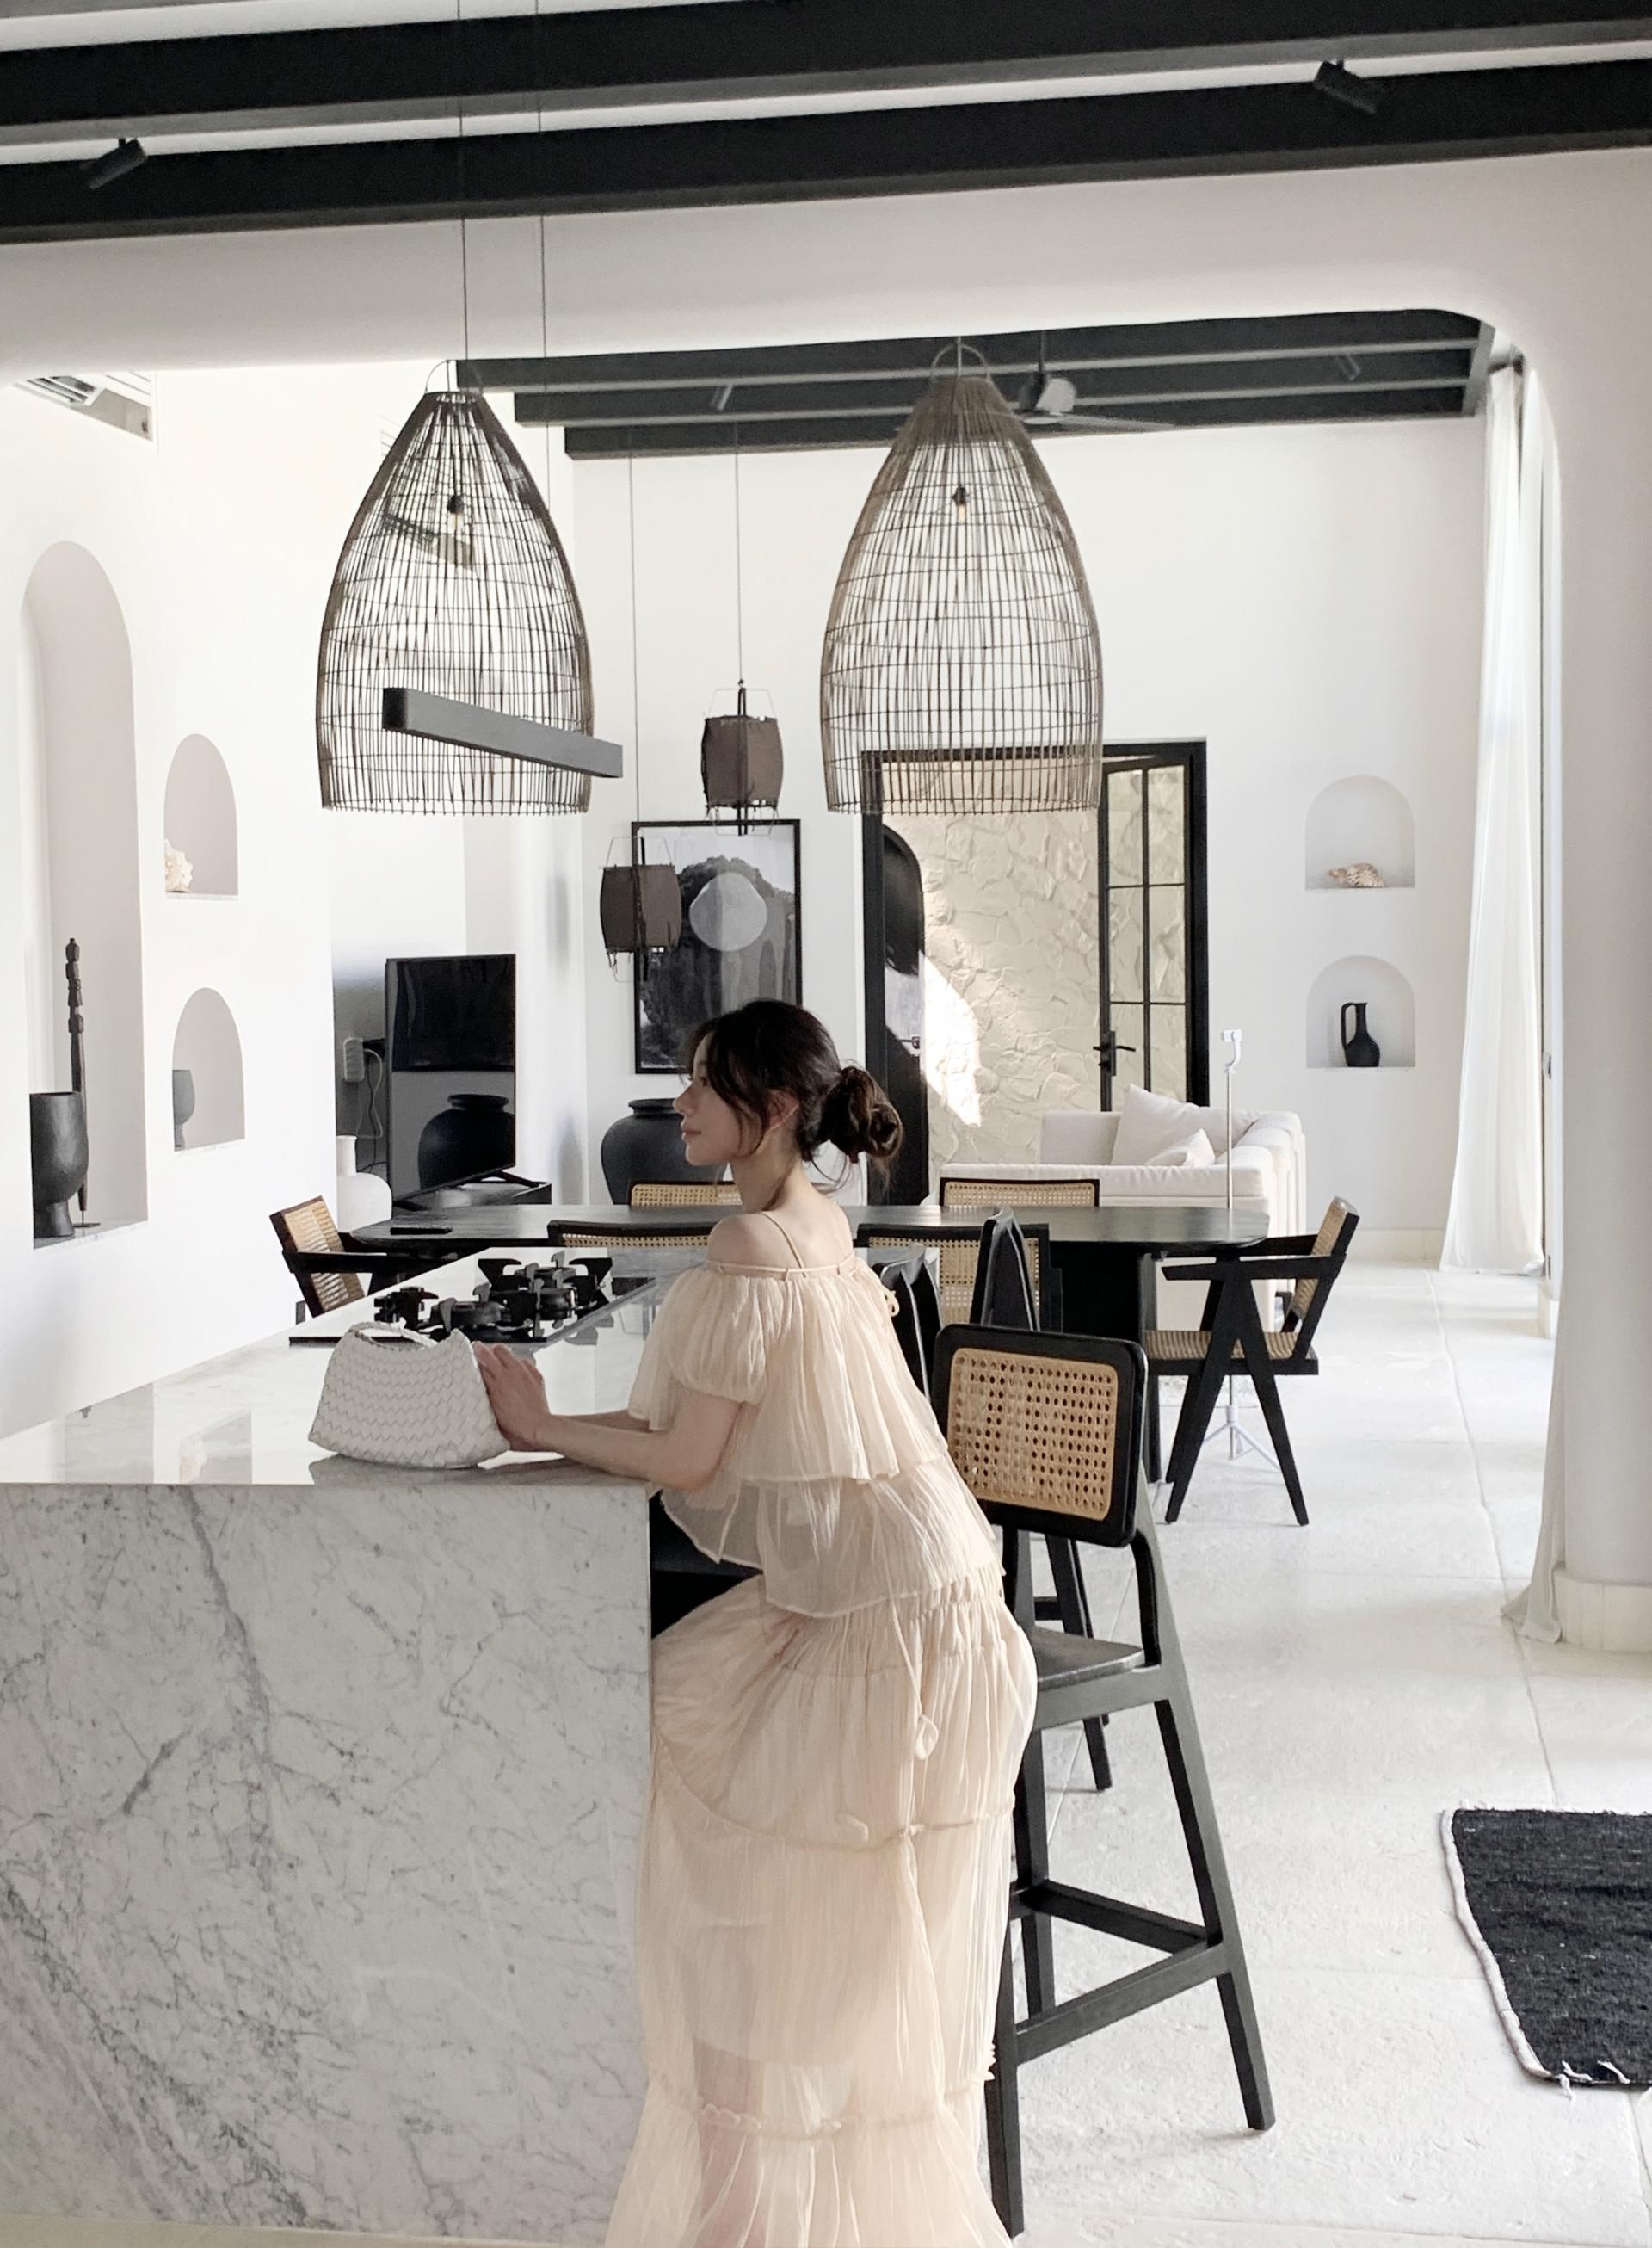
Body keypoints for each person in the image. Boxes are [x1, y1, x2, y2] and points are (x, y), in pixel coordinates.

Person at [477, 999, 1038, 2247]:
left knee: (737, 1877)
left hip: (886, 1618)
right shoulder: (816, 1223)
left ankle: (735, 2198)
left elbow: (686, 1453)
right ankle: (743, 2191)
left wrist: (540, 1428)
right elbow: (690, 1432)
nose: (679, 1105)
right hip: (929, 1595)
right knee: (747, 1869)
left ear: (773, 1109)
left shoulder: (748, 1239)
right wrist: (547, 1433)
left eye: (703, 1084)